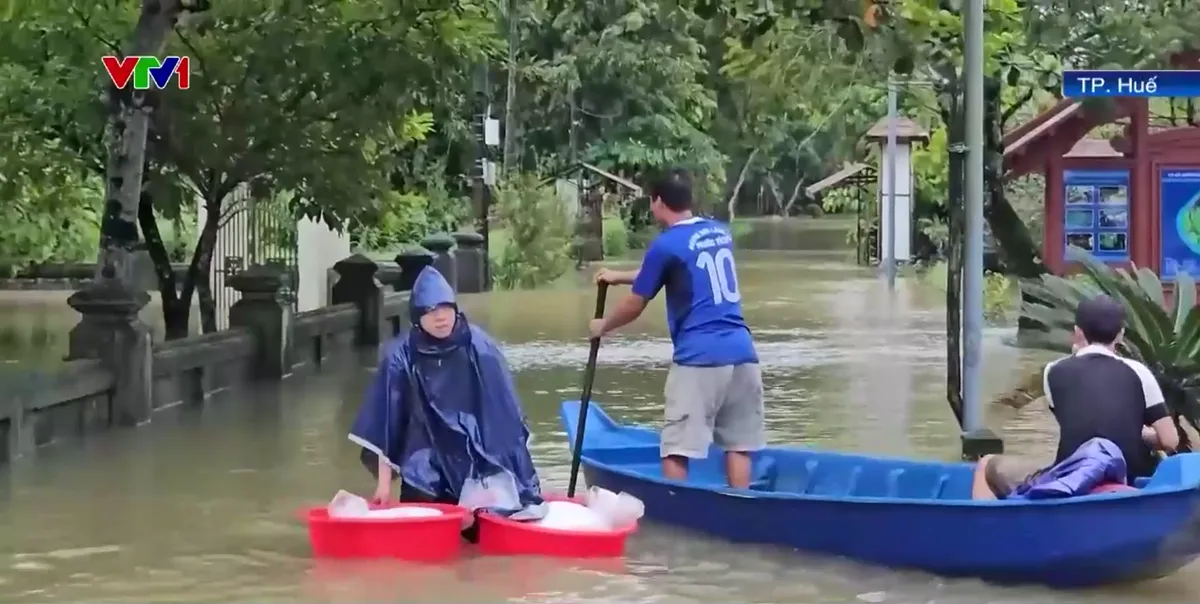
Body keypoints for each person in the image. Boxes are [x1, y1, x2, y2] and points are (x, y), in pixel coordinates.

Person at [590, 167, 764, 489]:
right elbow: (677, 267)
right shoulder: (718, 232)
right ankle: (744, 511)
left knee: (675, 449)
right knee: (739, 446)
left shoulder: (665, 244)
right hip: (743, 354)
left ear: (657, 202)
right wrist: (619, 275)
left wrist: (604, 326)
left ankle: (678, 516)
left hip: (700, 359)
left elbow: (636, 302)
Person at [348, 266, 546, 524]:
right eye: (430, 311)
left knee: (488, 520)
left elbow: (505, 417)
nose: (440, 317)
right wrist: (383, 487)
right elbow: (387, 421)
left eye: (445, 308)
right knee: (424, 521)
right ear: (416, 317)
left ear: (455, 309)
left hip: (476, 455)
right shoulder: (400, 356)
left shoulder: (480, 347)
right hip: (424, 461)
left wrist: (518, 476)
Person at [971, 294, 1179, 499]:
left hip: (1071, 481)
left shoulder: (1053, 371)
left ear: (1077, 332)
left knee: (986, 464)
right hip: (1128, 479)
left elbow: (1079, 417)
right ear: (1121, 335)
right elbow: (1170, 441)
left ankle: (985, 527)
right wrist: (1141, 432)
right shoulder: (1139, 371)